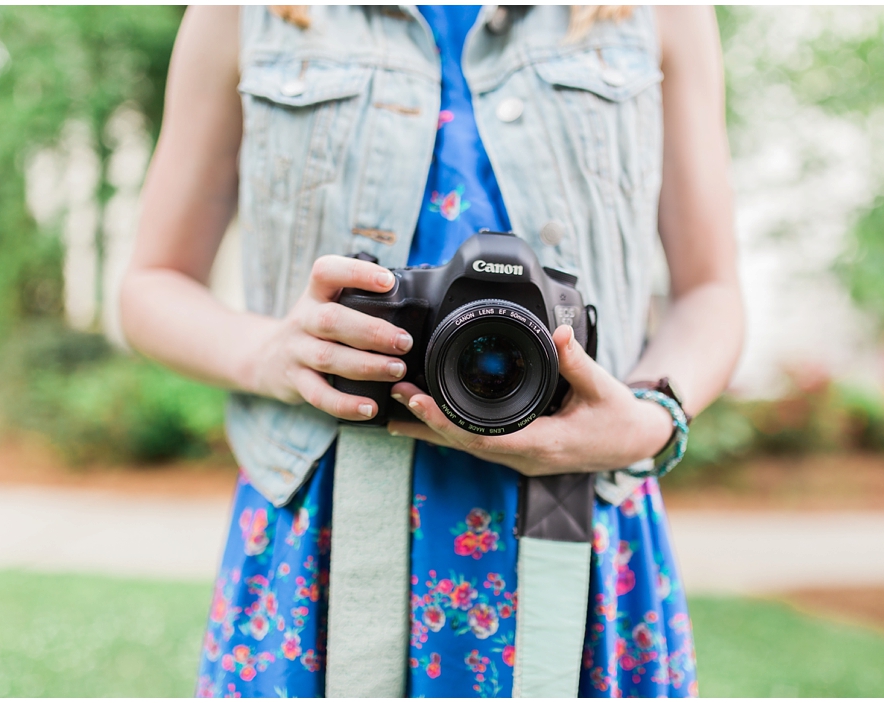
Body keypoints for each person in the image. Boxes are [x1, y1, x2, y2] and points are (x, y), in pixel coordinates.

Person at [120, 5, 742, 698]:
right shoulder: (244, 10)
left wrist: (651, 418)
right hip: (325, 527)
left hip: (583, 511)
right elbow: (151, 284)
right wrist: (268, 352)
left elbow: (712, 290)